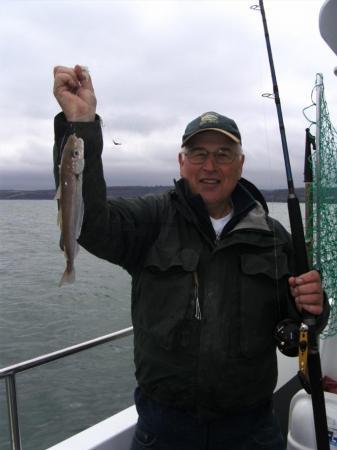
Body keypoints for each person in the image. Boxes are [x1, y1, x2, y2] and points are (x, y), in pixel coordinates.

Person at [53, 65, 329, 450]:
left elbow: (301, 322)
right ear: (181, 163)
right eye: (198, 154)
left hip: (250, 428)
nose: (210, 166)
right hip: (164, 428)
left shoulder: (275, 238)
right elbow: (89, 224)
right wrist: (80, 124)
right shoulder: (150, 220)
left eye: (223, 154)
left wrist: (317, 306)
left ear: (241, 163)